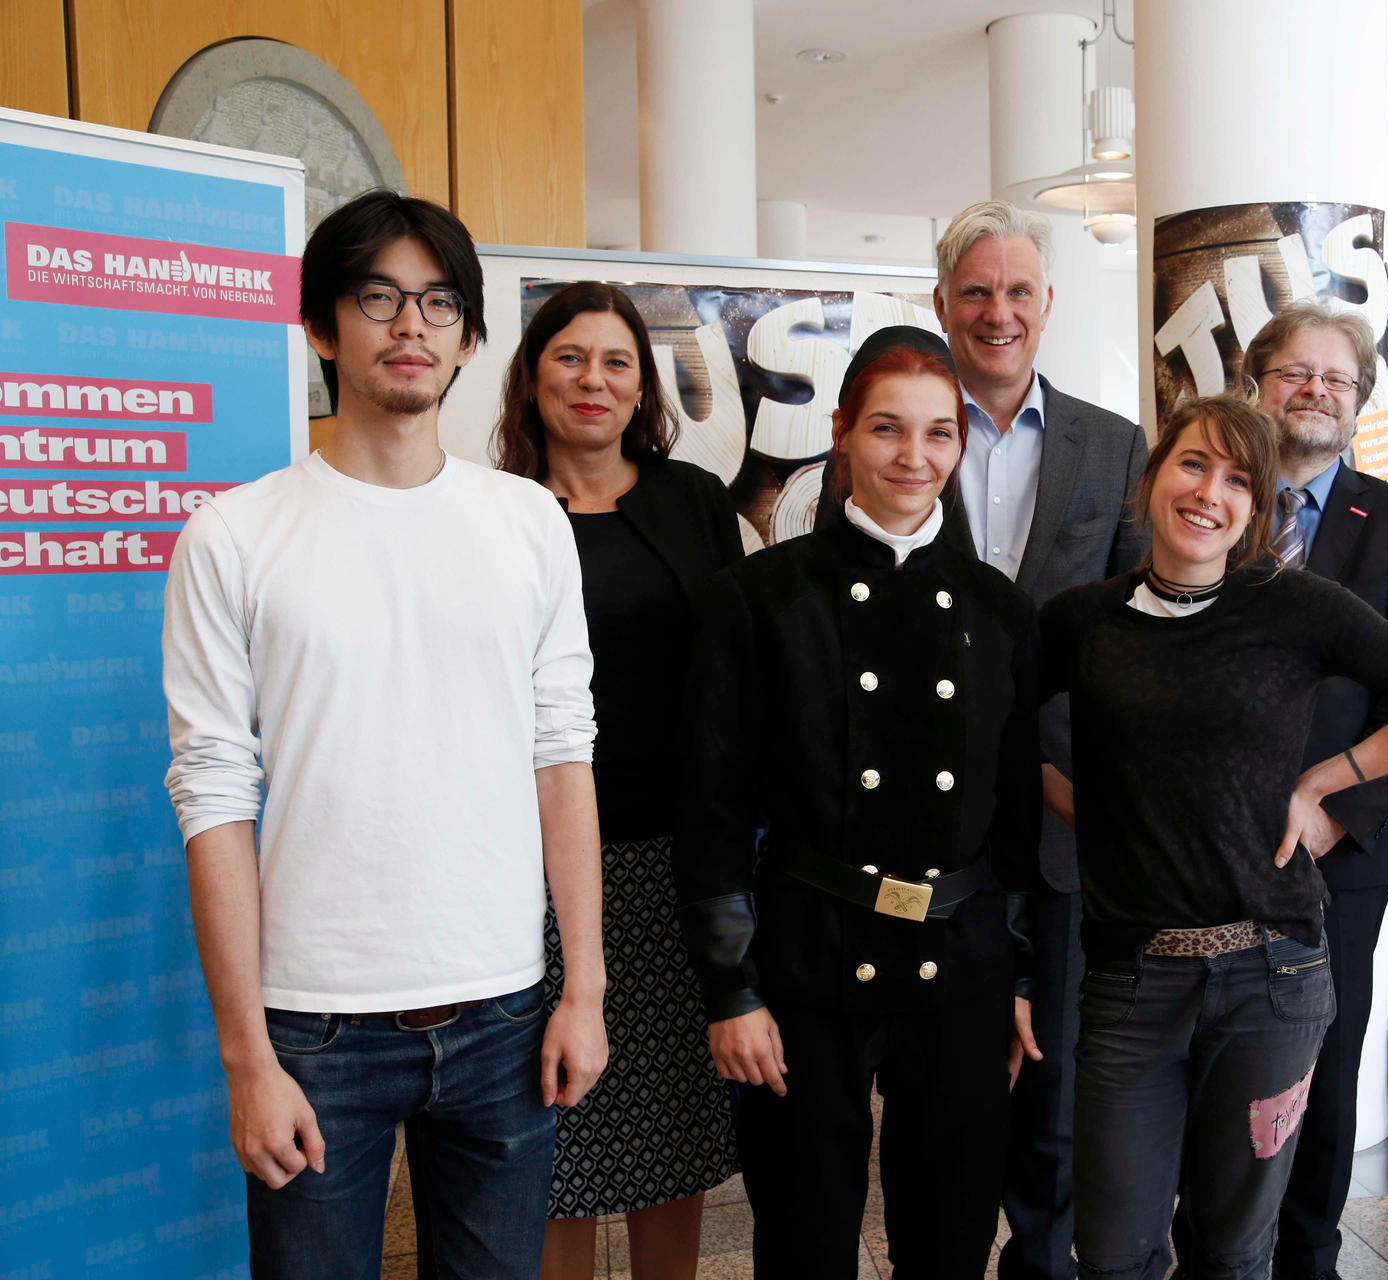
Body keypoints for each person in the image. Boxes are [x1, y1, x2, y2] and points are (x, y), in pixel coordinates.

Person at [161, 190, 607, 1279]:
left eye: (439, 301)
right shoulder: (235, 534)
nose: (412, 324)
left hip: (504, 1008)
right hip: (311, 1025)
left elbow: (563, 753)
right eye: (379, 297)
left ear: (465, 336)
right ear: (322, 328)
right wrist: (246, 1058)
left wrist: (582, 987)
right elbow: (214, 791)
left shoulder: (529, 521)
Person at [1038, 396, 1388, 1280]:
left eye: (1240, 479)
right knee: (1114, 1254)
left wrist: (1325, 783)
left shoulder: (1293, 607)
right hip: (1130, 981)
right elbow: (1005, 735)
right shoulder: (1081, 621)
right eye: (1194, 464)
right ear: (1154, 475)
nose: (1211, 493)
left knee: (1234, 1254)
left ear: (1256, 508)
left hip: (1270, 981)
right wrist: (1088, 807)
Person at [674, 327, 1042, 1280]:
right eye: (886, 429)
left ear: (960, 442)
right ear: (839, 432)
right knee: (802, 1237)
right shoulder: (758, 597)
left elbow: (1017, 825)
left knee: (952, 1235)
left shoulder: (1001, 613)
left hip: (960, 964)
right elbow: (712, 811)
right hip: (805, 957)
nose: (912, 459)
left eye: (936, 433)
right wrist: (733, 991)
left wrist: (1024, 978)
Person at [492, 281, 742, 1280]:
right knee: (554, 1130)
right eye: (569, 357)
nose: (592, 380)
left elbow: (734, 680)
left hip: (673, 863)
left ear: (644, 387)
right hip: (534, 868)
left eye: (617, 362)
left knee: (670, 1130)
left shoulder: (693, 502)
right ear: (532, 374)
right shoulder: (495, 512)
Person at [934, 199, 1150, 1280]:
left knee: (1058, 1068)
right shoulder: (900, 431)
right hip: (936, 819)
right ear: (942, 304)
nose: (998, 310)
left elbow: (1141, 637)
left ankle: (1044, 1262)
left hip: (1066, 812)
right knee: (958, 1070)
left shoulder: (1112, 447)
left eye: (1019, 290)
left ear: (1049, 306)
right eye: (977, 289)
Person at [1242, 303, 1388, 1280]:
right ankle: (1222, 1238)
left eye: (1336, 377)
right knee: (1220, 1051)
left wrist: (1336, 809)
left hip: (1346, 847)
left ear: (1359, 399)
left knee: (1324, 1056)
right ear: (1260, 383)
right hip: (1210, 837)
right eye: (1295, 371)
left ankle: (1308, 1254)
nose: (1315, 389)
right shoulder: (1211, 498)